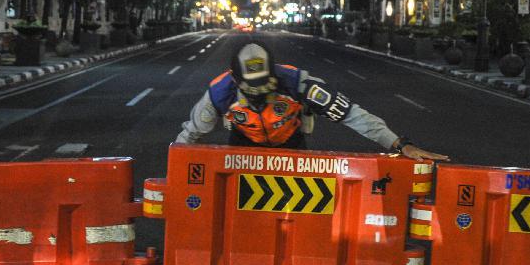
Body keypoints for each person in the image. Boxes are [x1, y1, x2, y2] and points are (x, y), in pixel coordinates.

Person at [175, 42, 448, 161]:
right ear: (236, 79)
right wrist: (175, 174)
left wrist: (400, 144)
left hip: (292, 150)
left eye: (264, 84)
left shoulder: (298, 83)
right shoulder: (219, 92)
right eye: (251, 88)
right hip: (243, 151)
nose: (258, 94)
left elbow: (350, 113)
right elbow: (191, 134)